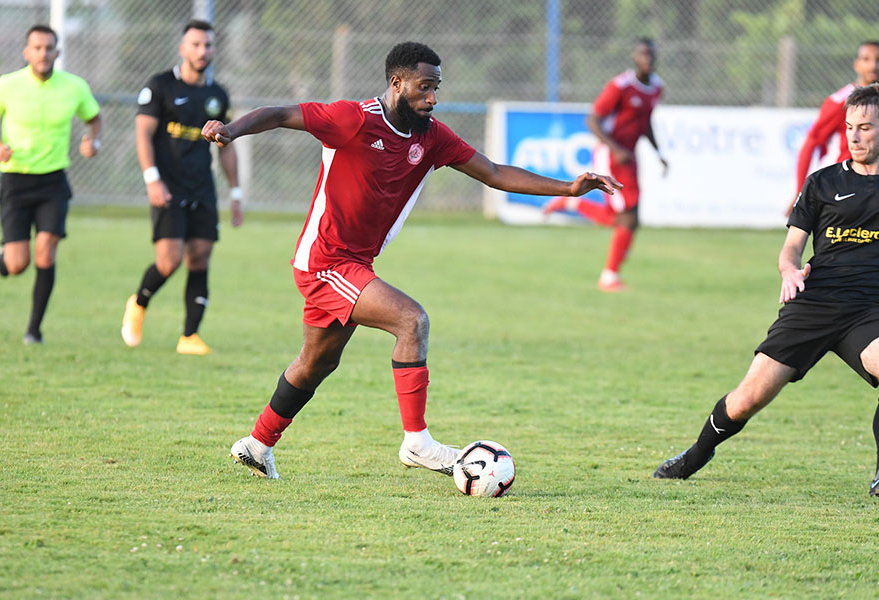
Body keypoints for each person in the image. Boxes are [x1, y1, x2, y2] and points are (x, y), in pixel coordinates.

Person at [200, 41, 621, 479]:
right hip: (325, 261)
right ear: (396, 83)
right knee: (411, 320)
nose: (432, 98)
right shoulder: (353, 119)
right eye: (424, 88)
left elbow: (494, 172)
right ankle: (417, 444)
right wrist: (232, 129)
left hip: (356, 263)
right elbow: (282, 114)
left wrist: (568, 189)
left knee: (317, 362)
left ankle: (257, 443)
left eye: (436, 88)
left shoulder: (431, 137)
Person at [654, 83, 879, 497]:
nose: (854, 136)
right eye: (849, 127)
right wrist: (789, 271)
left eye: (865, 127)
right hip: (814, 303)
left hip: (869, 311)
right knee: (746, 400)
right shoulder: (823, 183)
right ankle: (697, 454)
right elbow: (791, 248)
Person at [120, 19, 242, 355]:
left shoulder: (217, 95)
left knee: (200, 256)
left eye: (208, 45)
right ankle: (139, 303)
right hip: (168, 186)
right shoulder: (160, 86)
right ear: (183, 49)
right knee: (169, 261)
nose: (203, 51)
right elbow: (143, 134)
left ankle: (189, 336)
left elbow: (226, 147)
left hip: (201, 186)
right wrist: (152, 179)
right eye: (196, 44)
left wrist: (235, 193)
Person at [0, 24, 101, 345]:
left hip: (53, 181)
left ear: (57, 52)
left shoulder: (74, 87)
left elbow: (94, 118)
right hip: (16, 180)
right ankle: (6, 256)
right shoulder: (7, 85)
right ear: (27, 52)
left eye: (49, 48)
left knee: (46, 252)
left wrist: (92, 141)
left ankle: (34, 330)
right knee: (18, 265)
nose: (43, 54)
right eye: (37, 48)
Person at [542, 38, 667, 292]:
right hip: (610, 156)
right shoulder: (620, 86)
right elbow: (593, 121)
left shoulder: (656, 88)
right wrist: (615, 148)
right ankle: (609, 277)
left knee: (627, 217)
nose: (648, 59)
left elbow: (645, 123)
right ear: (634, 57)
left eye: (651, 55)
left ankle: (573, 203)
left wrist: (658, 152)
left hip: (628, 158)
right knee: (628, 217)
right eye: (643, 54)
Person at [788, 41, 878, 216]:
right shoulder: (842, 101)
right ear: (857, 65)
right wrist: (800, 190)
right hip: (845, 184)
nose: (873, 65)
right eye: (867, 59)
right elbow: (812, 142)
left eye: (878, 59)